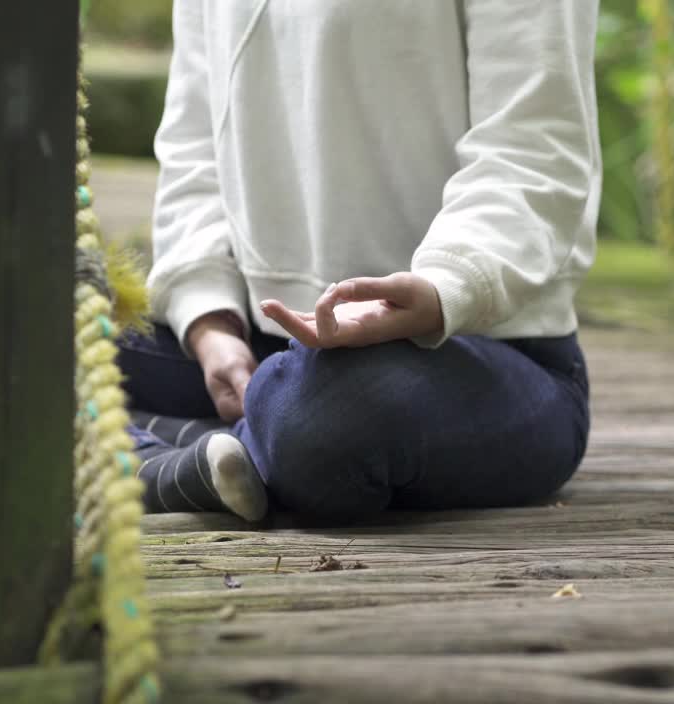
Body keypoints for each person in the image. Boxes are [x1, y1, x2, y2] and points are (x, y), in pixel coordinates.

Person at [120, 0, 601, 524]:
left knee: (323, 421)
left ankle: (153, 446)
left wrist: (446, 285)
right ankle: (207, 454)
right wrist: (208, 321)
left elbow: (533, 150)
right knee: (40, 328)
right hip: (257, 341)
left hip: (478, 354)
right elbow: (195, 146)